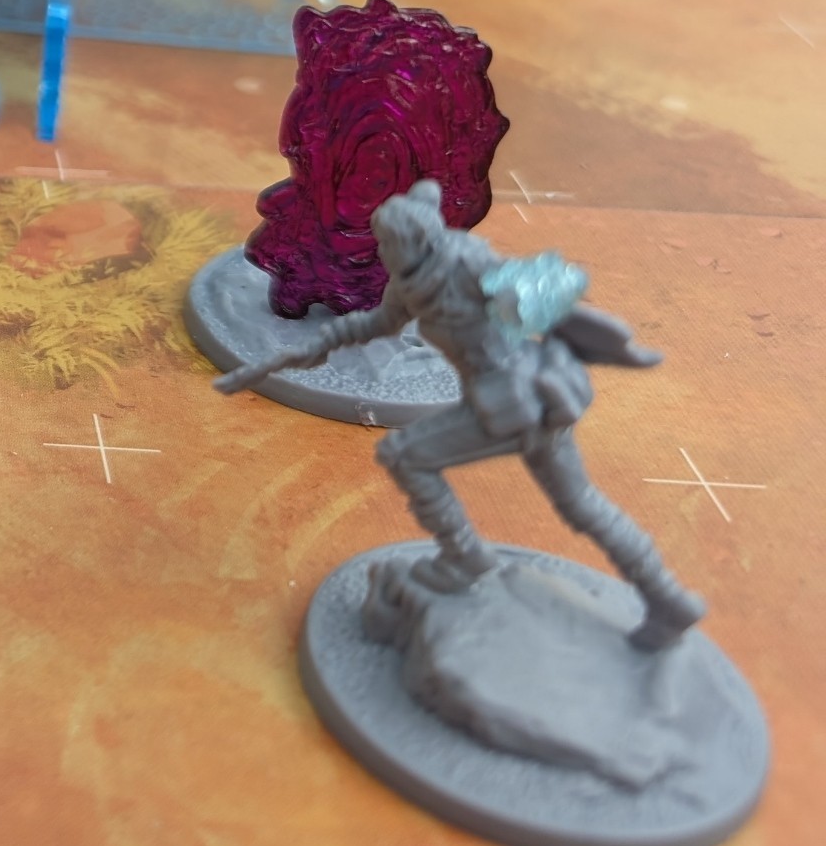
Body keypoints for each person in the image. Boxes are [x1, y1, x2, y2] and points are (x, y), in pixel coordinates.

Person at [217, 179, 706, 650]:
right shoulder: (409, 280)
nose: (380, 252)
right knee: (582, 505)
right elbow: (379, 323)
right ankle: (669, 599)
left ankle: (464, 555)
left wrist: (614, 344)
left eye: (386, 243)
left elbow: (541, 296)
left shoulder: (467, 263)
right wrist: (305, 350)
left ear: (411, 243)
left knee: (406, 456)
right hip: (514, 399)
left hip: (514, 397)